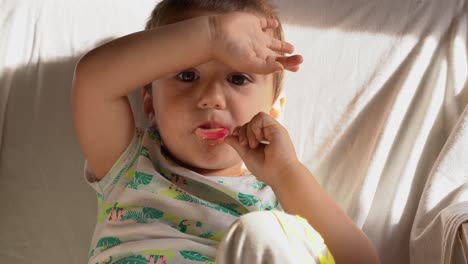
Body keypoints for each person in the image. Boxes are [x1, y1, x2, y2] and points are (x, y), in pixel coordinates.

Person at [72, 0, 380, 263]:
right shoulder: (130, 166)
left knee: (262, 235)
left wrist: (287, 172)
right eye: (187, 75)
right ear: (150, 106)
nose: (212, 98)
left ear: (273, 112)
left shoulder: (280, 195)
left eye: (238, 79)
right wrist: (212, 35)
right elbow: (93, 83)